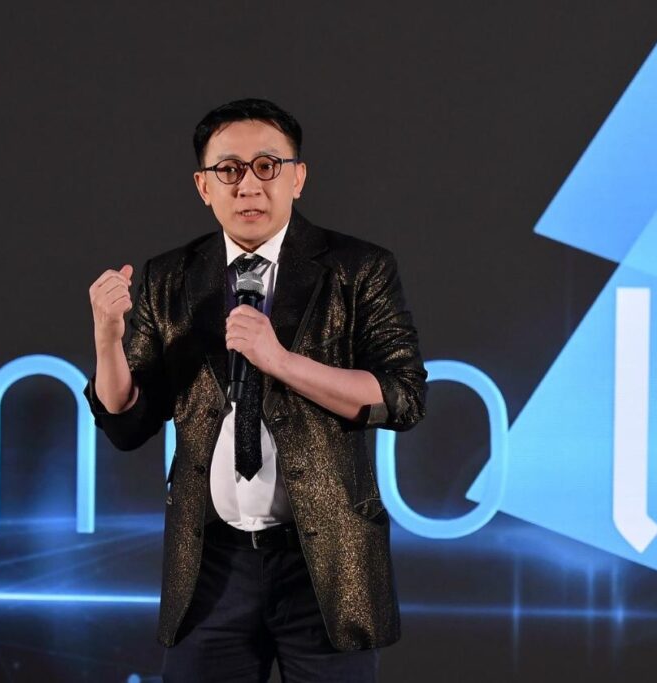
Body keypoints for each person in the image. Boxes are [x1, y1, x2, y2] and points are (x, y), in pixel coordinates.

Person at [85, 98, 426, 682]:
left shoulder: (358, 268)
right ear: (203, 186)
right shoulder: (170, 277)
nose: (249, 185)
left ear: (298, 177)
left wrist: (281, 362)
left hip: (325, 564)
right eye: (229, 169)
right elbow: (127, 420)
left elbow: (402, 396)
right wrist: (107, 339)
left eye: (267, 166)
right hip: (211, 565)